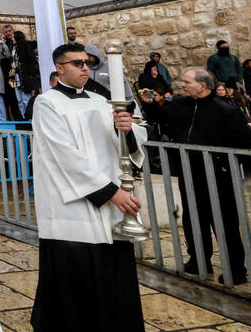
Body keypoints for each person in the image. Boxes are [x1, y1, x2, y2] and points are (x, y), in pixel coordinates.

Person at [30, 43, 147, 332]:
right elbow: (64, 156)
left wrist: (128, 130)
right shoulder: (47, 103)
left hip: (110, 208)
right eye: (77, 63)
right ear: (60, 68)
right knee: (77, 284)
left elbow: (124, 146)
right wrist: (112, 193)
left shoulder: (99, 100)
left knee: (114, 280)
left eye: (87, 63)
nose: (84, 68)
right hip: (73, 209)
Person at [140, 68, 251, 285]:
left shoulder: (225, 110)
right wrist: (151, 104)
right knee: (193, 217)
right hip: (189, 170)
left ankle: (236, 268)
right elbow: (163, 119)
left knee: (224, 220)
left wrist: (222, 161)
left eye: (187, 81)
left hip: (218, 174)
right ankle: (199, 259)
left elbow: (244, 141)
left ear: (202, 85)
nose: (182, 85)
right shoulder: (180, 105)